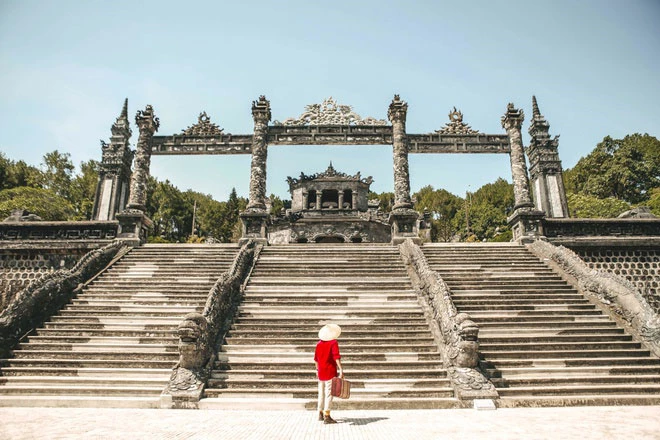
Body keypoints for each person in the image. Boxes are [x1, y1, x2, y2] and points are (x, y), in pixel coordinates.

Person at [314, 323, 343, 424]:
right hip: (330, 371)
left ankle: (320, 412)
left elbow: (316, 359)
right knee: (329, 394)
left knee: (321, 393)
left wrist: (317, 370)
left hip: (321, 371)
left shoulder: (319, 344)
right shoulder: (333, 343)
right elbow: (336, 357)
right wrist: (341, 370)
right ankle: (327, 415)